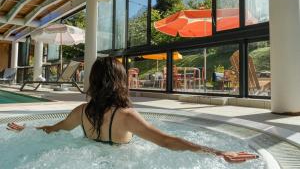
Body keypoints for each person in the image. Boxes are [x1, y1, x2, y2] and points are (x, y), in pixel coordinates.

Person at [7, 57, 258, 163]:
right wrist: (217, 151)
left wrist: (25, 129)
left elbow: (53, 129)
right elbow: (167, 141)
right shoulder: (125, 117)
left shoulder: (81, 111)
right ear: (120, 81)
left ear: (93, 81)